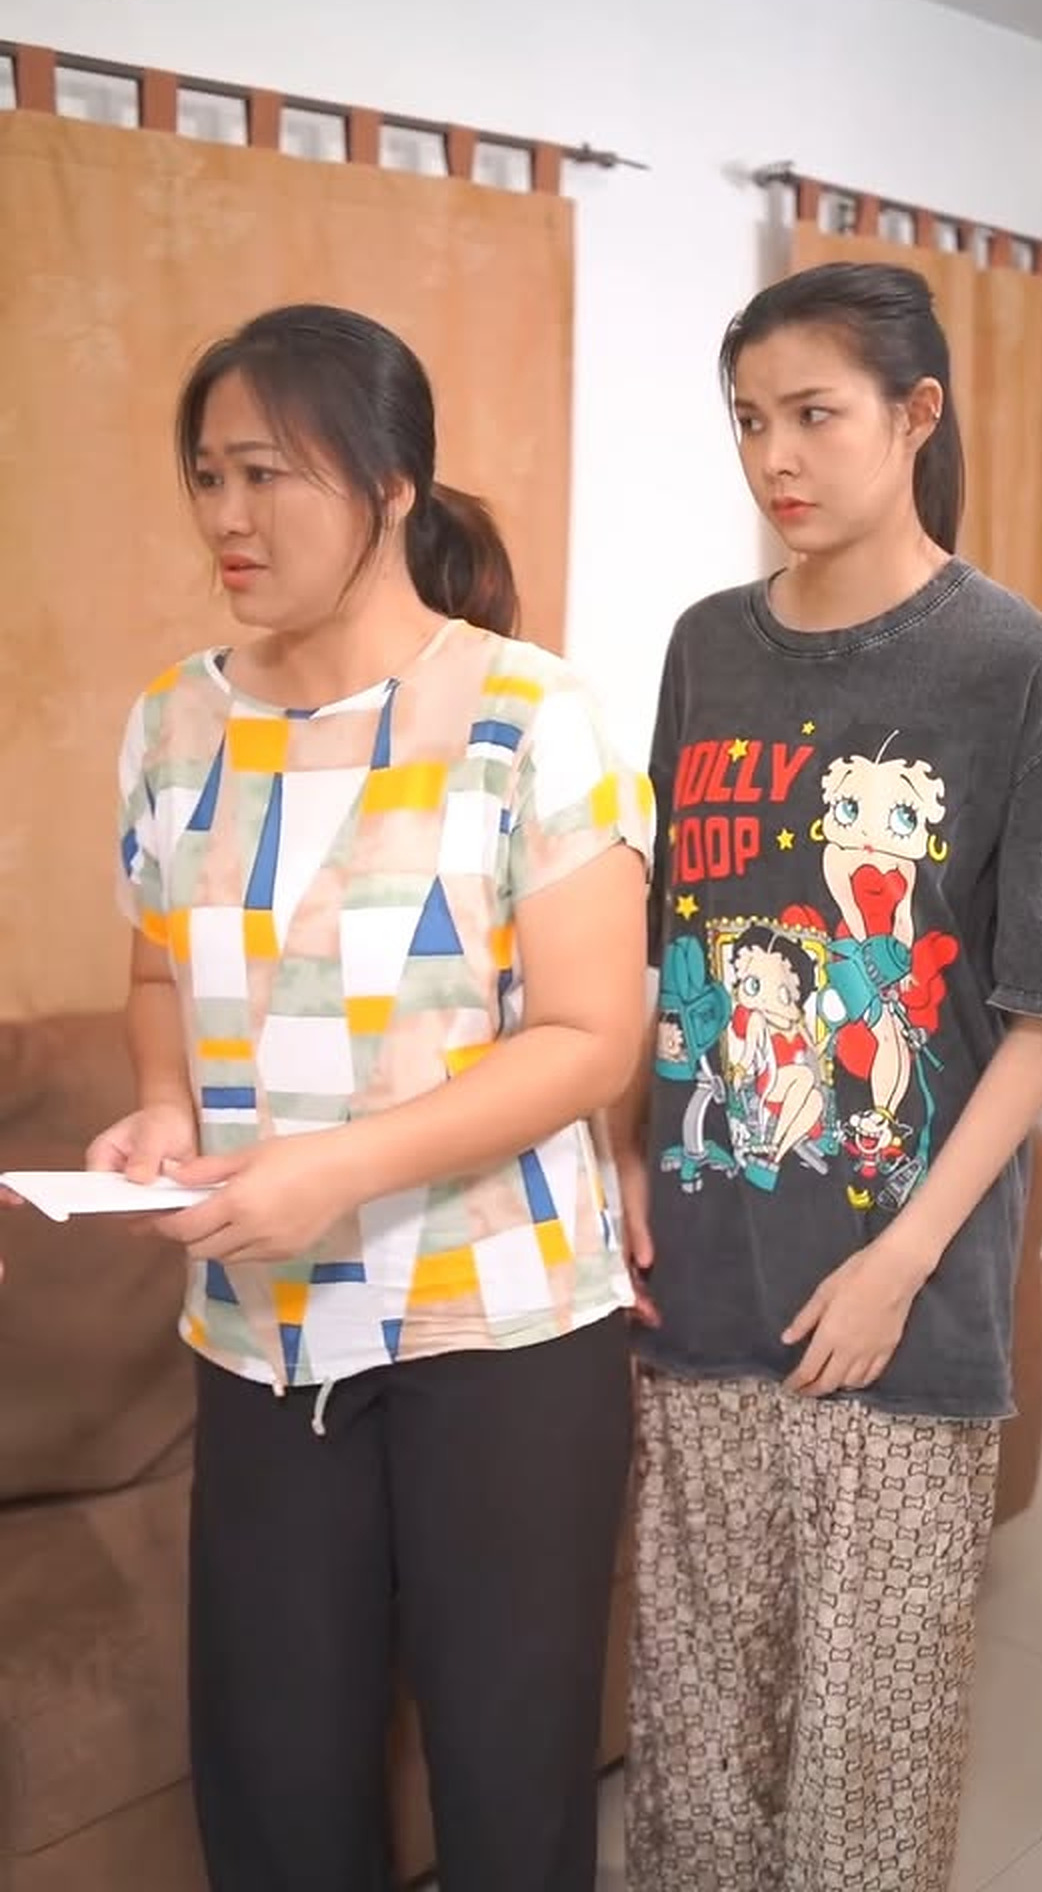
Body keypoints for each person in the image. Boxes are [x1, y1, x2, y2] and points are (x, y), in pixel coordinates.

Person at [86, 303, 654, 1892]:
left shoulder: (531, 716)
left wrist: (337, 1169)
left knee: (508, 1781)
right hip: (262, 1332)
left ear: (392, 485)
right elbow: (157, 980)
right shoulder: (174, 723)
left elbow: (592, 1037)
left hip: (501, 1330)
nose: (227, 515)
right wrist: (165, 1110)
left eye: (268, 474)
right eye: (209, 475)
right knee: (275, 1785)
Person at [612, 261, 1042, 1892]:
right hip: (700, 1285)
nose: (776, 458)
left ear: (916, 413)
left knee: (862, 1792)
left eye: (813, 415)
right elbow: (674, 945)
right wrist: (627, 1159)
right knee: (694, 1764)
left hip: (899, 1303)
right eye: (749, 421)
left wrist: (905, 1260)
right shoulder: (705, 649)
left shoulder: (1014, 664)